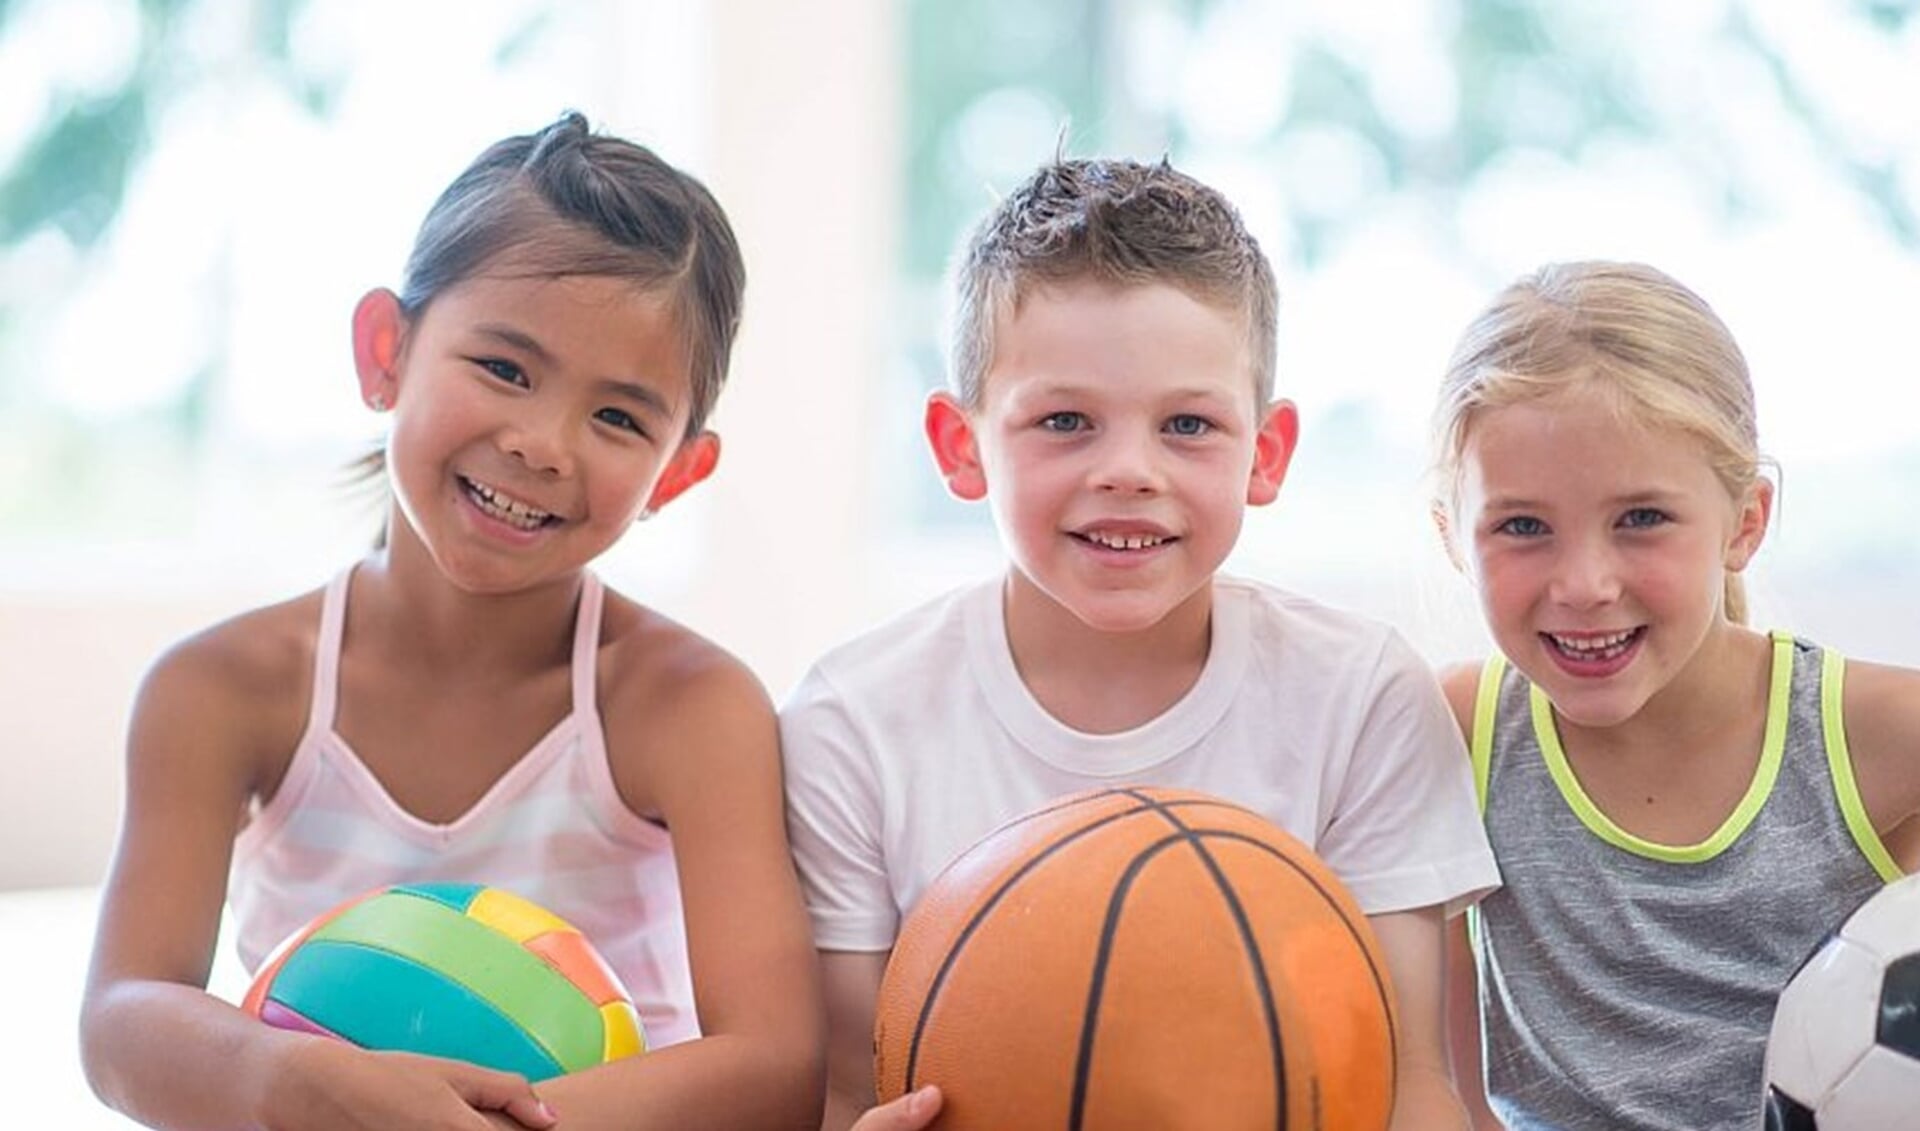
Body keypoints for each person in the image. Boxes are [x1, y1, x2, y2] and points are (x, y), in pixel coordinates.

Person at [79, 113, 825, 1131]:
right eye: (505, 369)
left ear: (678, 474)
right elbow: (121, 1020)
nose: (542, 443)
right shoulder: (222, 688)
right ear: (386, 351)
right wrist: (286, 1081)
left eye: (617, 417)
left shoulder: (688, 708)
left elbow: (775, 1065)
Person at [781, 156, 1501, 1131]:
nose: (1128, 471)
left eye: (1189, 424)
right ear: (960, 447)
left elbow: (1411, 1083)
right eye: (1065, 421)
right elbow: (848, 1095)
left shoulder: (1361, 694)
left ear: (1267, 453)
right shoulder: (853, 723)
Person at [1429, 260, 1920, 1131]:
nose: (1584, 584)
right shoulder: (1454, 731)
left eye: (1641, 518)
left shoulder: (1869, 734)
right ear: (1453, 537)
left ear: (1745, 522)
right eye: (1522, 526)